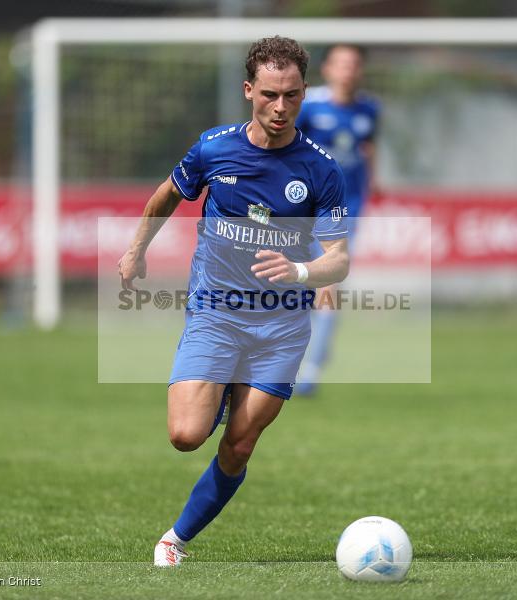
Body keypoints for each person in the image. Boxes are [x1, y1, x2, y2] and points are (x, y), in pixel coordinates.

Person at [117, 36, 350, 567]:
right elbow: (168, 193)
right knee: (184, 435)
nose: (280, 107)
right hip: (217, 314)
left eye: (291, 96)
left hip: (281, 328)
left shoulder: (320, 169)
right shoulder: (214, 148)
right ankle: (218, 391)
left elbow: (339, 259)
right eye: (269, 94)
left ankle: (174, 539)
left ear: (304, 94)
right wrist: (136, 250)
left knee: (239, 447)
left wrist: (303, 271)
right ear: (249, 90)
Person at [294, 44, 380, 395]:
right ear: (327, 69)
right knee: (292, 284)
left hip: (345, 209)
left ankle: (311, 369)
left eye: (354, 64)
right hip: (302, 208)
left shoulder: (370, 109)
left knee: (328, 284)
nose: (348, 70)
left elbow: (369, 149)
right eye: (341, 64)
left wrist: (373, 183)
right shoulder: (309, 105)